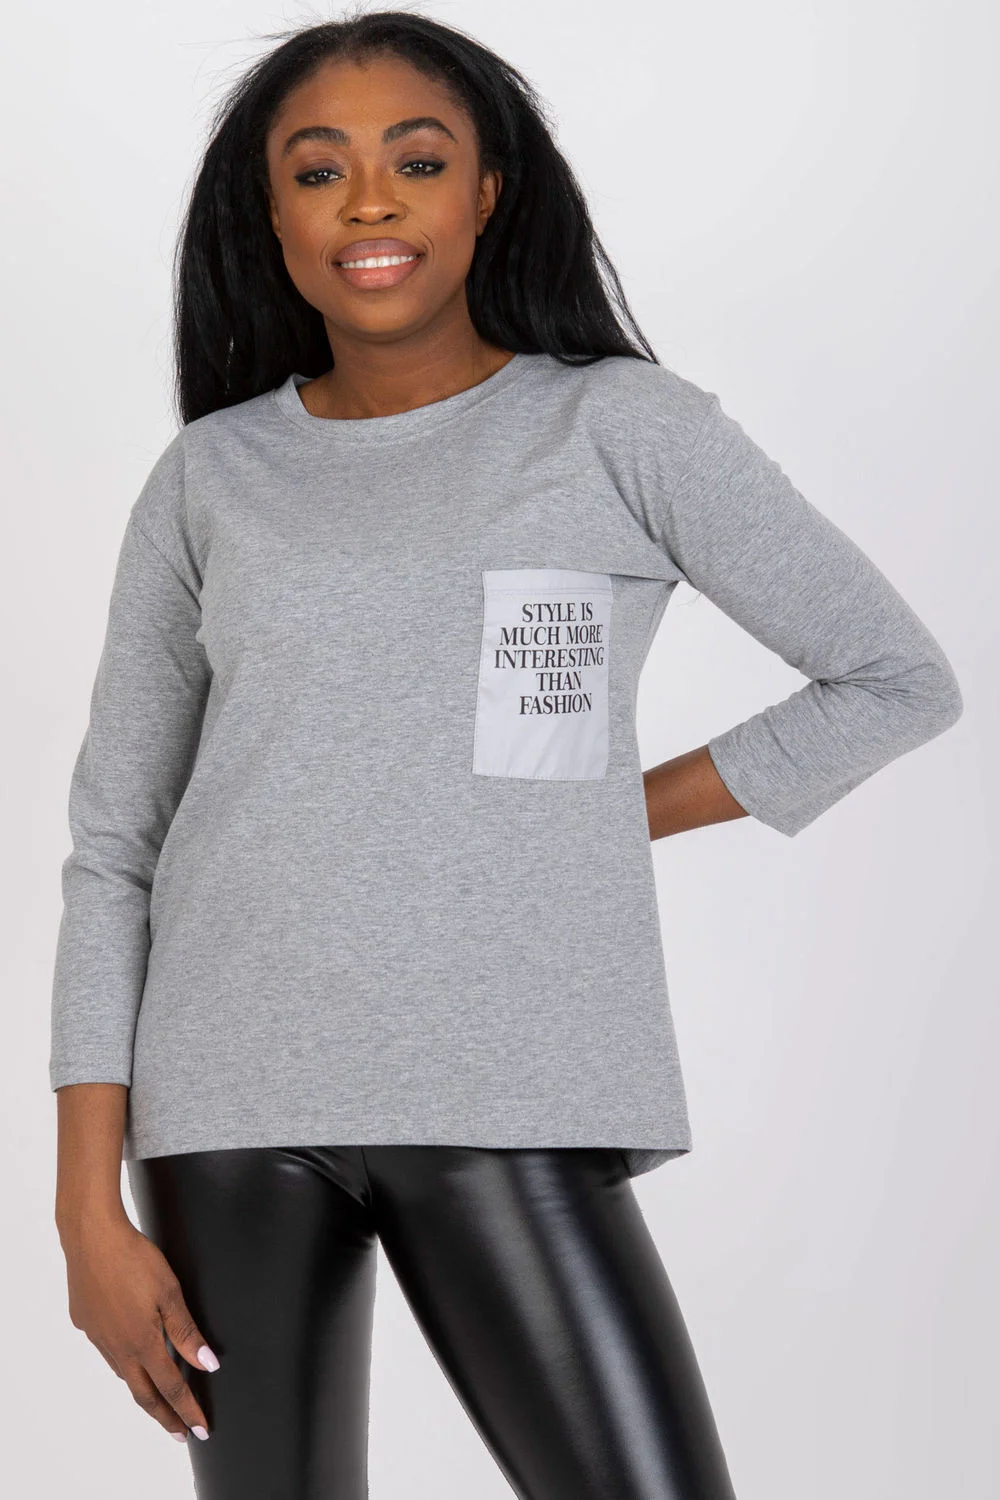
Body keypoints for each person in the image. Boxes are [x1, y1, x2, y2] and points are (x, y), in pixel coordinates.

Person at [49, 11, 963, 1499]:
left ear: (488, 192)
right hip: (229, 1102)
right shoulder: (211, 474)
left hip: (513, 1083)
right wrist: (84, 1209)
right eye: (318, 170)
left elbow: (892, 679)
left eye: (417, 161)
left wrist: (599, 815)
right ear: (269, 215)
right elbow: (116, 850)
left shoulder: (621, 430)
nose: (369, 201)